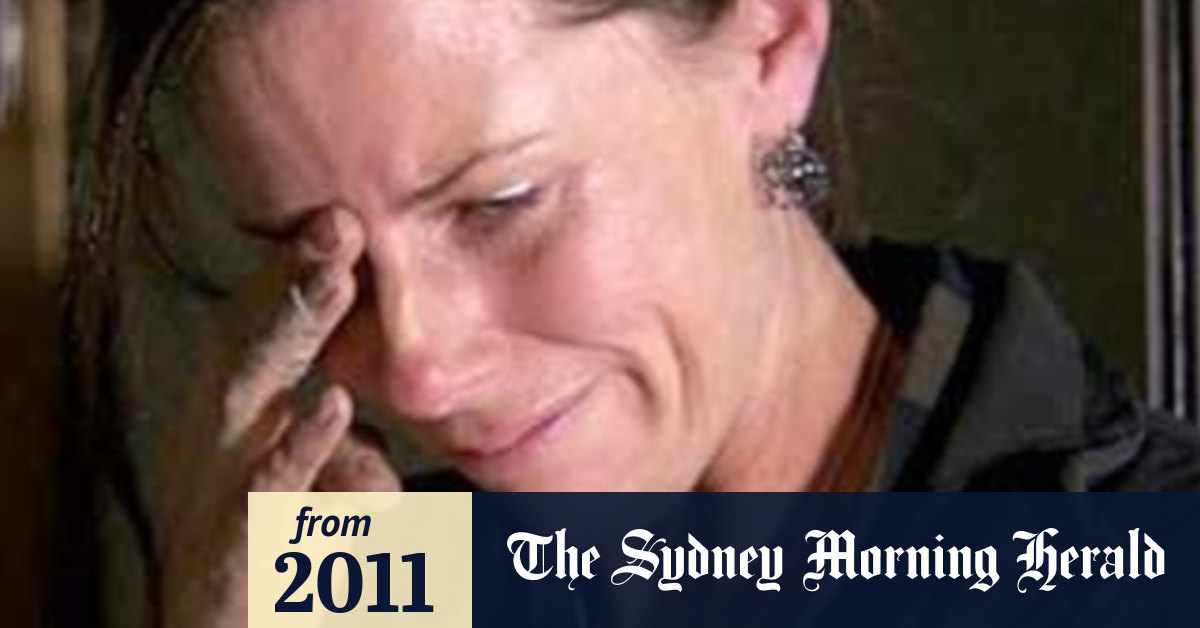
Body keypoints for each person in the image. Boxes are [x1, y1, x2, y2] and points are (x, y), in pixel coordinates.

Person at [65, 0, 1200, 626]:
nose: (416, 371)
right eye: (323, 263)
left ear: (771, 43)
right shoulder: (393, 582)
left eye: (499, 204)